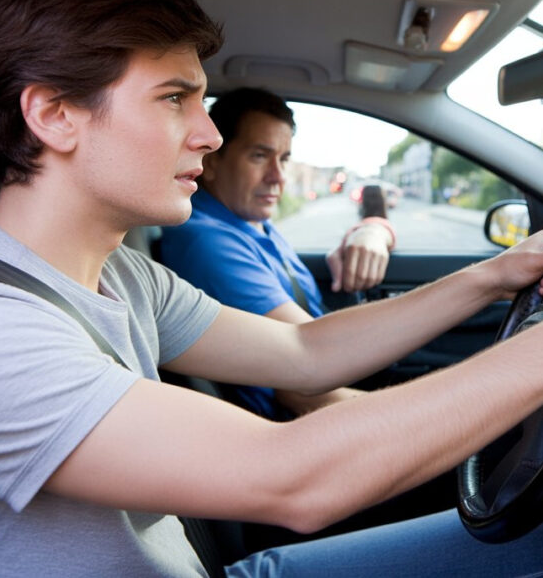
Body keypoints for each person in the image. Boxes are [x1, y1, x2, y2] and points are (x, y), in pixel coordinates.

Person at [0, 0, 543, 577]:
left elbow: (303, 351)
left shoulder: (117, 272)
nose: (208, 136)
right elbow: (290, 476)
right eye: (175, 99)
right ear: (53, 114)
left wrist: (492, 276)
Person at [160, 88, 393, 418]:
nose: (278, 177)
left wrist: (374, 228)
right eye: (258, 156)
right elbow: (309, 386)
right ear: (210, 163)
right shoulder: (209, 242)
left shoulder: (249, 222)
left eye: (283, 159)